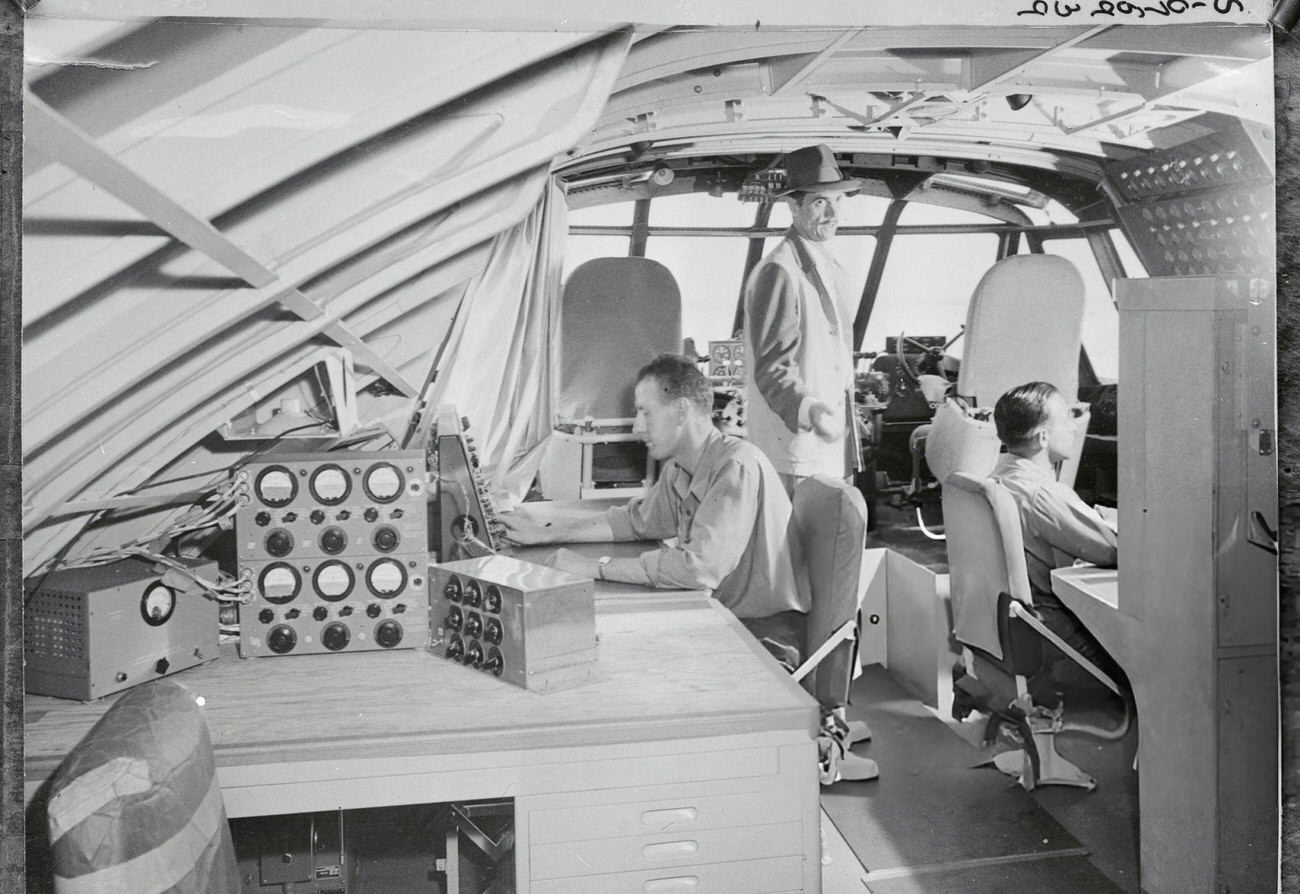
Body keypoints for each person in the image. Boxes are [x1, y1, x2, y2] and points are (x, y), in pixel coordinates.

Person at [502, 354, 877, 782]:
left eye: (645, 413)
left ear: (680, 412)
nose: (636, 428)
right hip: (727, 621)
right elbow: (639, 520)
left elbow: (699, 570)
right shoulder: (684, 466)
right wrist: (549, 531)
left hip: (762, 639)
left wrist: (594, 568)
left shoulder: (734, 465)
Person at [743, 144, 863, 496]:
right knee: (797, 547)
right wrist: (811, 411)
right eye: (819, 202)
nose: (832, 213)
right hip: (795, 453)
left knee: (827, 543)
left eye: (837, 201)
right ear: (793, 205)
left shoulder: (826, 265)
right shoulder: (779, 271)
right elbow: (772, 369)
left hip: (826, 448)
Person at [991, 381, 1123, 690]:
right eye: (1067, 418)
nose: (1075, 429)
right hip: (1054, 631)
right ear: (1043, 437)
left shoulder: (998, 476)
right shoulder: (1042, 494)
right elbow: (1113, 550)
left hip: (1014, 628)